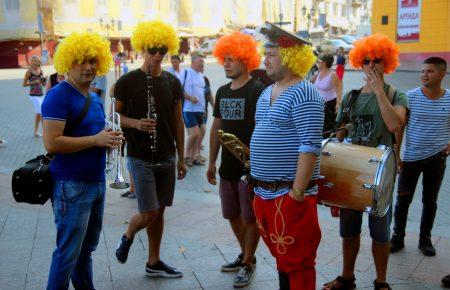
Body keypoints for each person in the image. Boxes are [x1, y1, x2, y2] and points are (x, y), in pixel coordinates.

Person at [322, 34, 409, 290]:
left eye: (378, 60)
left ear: (388, 62)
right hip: (351, 173)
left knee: (380, 233)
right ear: (360, 62)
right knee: (348, 231)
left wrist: (380, 91)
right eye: (367, 60)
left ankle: (381, 281)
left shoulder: (396, 95)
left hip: (380, 175)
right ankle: (347, 277)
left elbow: (395, 124)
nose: (371, 65)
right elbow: (339, 139)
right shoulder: (350, 97)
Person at [41, 32, 120, 290]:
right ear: (68, 62)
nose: (88, 67)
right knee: (67, 254)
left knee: (85, 251)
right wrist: (96, 140)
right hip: (71, 185)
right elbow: (52, 142)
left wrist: (110, 140)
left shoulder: (94, 98)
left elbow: (97, 137)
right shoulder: (58, 95)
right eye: (81, 61)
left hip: (95, 182)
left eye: (93, 61)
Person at [250, 22, 323, 290]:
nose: (264, 60)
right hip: (264, 193)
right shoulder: (266, 92)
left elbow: (310, 145)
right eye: (265, 53)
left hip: (288, 195)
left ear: (291, 57)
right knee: (283, 260)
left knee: (300, 263)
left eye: (271, 54)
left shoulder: (305, 92)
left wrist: (297, 193)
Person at [113, 20, 187, 278]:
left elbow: (179, 121)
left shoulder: (173, 82)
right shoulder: (127, 81)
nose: (158, 54)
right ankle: (128, 234)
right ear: (143, 48)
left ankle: (153, 262)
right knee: (149, 212)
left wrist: (182, 157)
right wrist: (135, 123)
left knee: (160, 211)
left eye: (163, 49)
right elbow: (112, 117)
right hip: (140, 157)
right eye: (153, 49)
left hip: (167, 156)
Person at [207, 31, 264, 287]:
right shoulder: (221, 91)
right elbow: (216, 127)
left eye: (232, 59)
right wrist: (211, 161)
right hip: (227, 168)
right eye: (225, 59)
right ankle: (246, 257)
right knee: (231, 214)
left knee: (250, 217)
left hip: (250, 169)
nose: (226, 64)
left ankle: (247, 262)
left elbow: (264, 129)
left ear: (246, 60)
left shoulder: (257, 91)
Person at [390, 57, 449, 256]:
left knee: (430, 201)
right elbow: (399, 128)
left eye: (430, 71)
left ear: (442, 74)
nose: (424, 75)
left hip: (437, 159)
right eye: (422, 71)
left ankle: (425, 240)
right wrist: (396, 154)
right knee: (403, 200)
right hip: (411, 159)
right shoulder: (411, 97)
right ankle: (397, 238)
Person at [182, 53, 206, 166]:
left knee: (201, 132)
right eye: (200, 61)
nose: (202, 63)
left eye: (203, 61)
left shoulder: (201, 75)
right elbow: (178, 90)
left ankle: (194, 156)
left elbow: (203, 93)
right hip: (189, 109)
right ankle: (185, 155)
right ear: (193, 62)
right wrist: (190, 98)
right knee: (195, 133)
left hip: (200, 110)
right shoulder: (186, 72)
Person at [311, 53, 342, 137]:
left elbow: (338, 89)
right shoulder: (318, 73)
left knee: (327, 129)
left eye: (318, 61)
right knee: (317, 127)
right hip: (318, 104)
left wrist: (338, 103)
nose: (317, 63)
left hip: (329, 104)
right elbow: (310, 82)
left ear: (324, 63)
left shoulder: (332, 74)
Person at [23, 55, 46, 137]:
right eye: (33, 60)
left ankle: (35, 132)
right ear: (31, 62)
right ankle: (46, 132)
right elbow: (24, 84)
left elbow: (43, 84)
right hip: (33, 95)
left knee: (38, 113)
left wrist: (44, 81)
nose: (35, 62)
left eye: (36, 60)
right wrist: (35, 81)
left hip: (41, 94)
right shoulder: (29, 72)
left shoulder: (41, 71)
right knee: (42, 111)